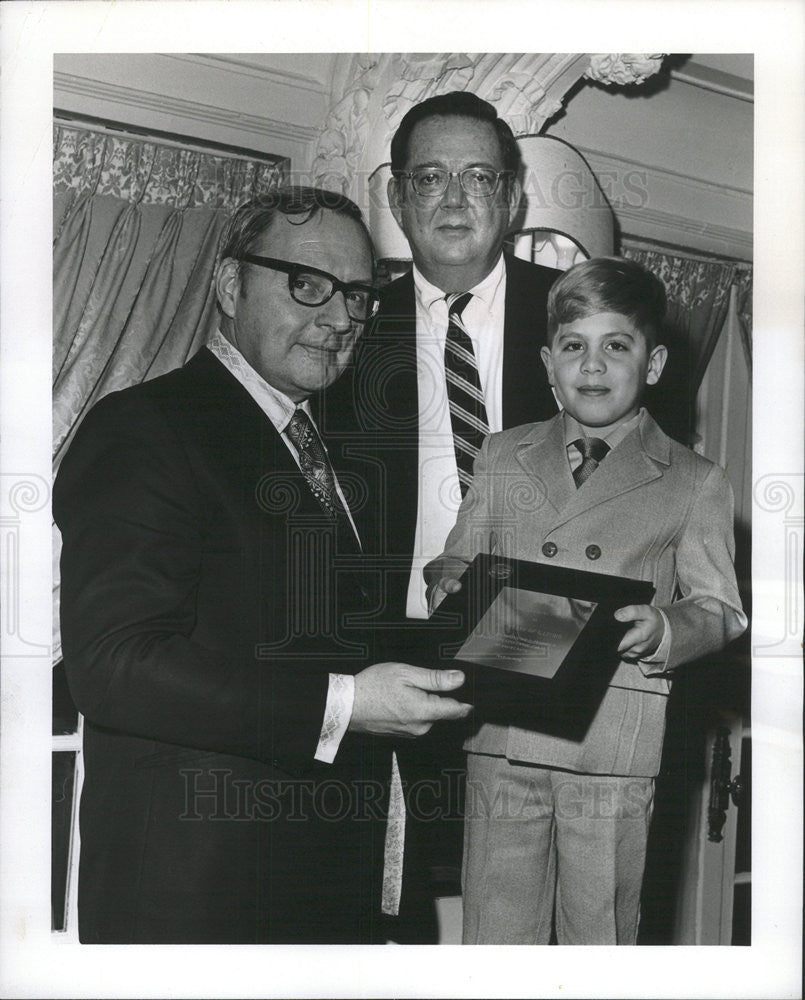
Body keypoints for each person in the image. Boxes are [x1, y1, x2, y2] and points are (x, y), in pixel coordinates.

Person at [53, 187, 472, 945]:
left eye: (357, 294)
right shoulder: (144, 429)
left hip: (314, 886)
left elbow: (309, 639)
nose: (341, 317)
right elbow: (114, 665)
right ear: (227, 285)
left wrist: (479, 623)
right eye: (306, 284)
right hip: (195, 901)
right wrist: (344, 706)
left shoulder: (326, 445)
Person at [426, 256, 748, 944]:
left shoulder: (693, 481)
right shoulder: (502, 454)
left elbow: (721, 609)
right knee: (493, 932)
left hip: (611, 743)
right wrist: (450, 583)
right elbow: (457, 557)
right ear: (548, 364)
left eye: (615, 346)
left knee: (597, 937)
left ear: (653, 364)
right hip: (503, 727)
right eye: (573, 347)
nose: (592, 366)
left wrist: (663, 629)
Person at [323, 91, 561, 935]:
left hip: (541, 634)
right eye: (429, 179)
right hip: (386, 652)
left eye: (476, 177)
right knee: (385, 895)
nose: (455, 201)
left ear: (512, 195)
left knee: (537, 895)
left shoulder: (581, 314)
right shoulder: (344, 330)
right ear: (395, 199)